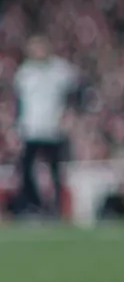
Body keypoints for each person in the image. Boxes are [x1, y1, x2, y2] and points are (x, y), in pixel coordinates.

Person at [13, 35, 78, 218]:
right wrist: (17, 124)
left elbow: (75, 92)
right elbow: (18, 102)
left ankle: (56, 208)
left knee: (55, 170)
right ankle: (34, 205)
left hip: (53, 129)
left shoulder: (61, 70)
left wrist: (69, 114)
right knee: (26, 169)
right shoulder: (25, 73)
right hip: (31, 128)